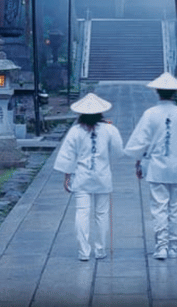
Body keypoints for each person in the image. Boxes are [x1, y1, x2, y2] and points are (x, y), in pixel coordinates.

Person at [124, 72, 177, 260]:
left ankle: (161, 247)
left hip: (157, 167)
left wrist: (138, 160)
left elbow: (140, 142)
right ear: (174, 93)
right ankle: (174, 246)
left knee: (159, 207)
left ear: (157, 92)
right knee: (176, 207)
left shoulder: (150, 114)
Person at [54, 92, 123, 261]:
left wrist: (67, 177)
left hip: (82, 178)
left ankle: (84, 252)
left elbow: (67, 156)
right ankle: (100, 250)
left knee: (82, 213)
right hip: (102, 177)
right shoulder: (109, 129)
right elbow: (119, 151)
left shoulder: (75, 131)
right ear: (101, 112)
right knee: (102, 214)